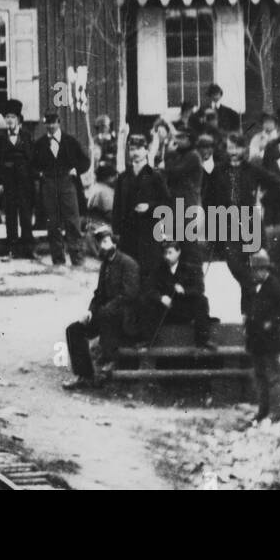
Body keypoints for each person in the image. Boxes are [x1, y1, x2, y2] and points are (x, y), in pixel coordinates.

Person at [63, 222, 142, 390]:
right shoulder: (105, 265)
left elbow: (130, 295)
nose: (103, 247)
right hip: (105, 315)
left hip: (124, 317)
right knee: (74, 330)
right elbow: (99, 294)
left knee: (106, 316)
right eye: (100, 244)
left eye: (106, 242)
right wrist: (90, 312)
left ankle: (107, 366)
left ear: (114, 243)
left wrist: (106, 309)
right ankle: (84, 376)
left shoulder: (128, 264)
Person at [203, 133, 280, 289]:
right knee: (235, 266)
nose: (233, 152)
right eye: (230, 147)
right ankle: (250, 291)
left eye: (237, 148)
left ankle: (250, 305)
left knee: (255, 264)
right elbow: (208, 200)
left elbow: (277, 184)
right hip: (227, 223)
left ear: (243, 149)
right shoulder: (218, 170)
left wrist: (265, 196)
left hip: (249, 221)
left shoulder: (252, 169)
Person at [31, 111, 90, 268]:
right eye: (47, 124)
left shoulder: (70, 141)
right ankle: (58, 260)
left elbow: (85, 161)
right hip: (49, 185)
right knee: (53, 223)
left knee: (72, 222)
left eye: (53, 123)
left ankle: (77, 258)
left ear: (59, 123)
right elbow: (32, 165)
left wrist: (75, 170)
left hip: (67, 184)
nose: (50, 126)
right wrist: (40, 174)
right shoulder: (40, 144)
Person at [244, 249, 280, 424]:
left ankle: (276, 413)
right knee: (260, 377)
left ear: (266, 270)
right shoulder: (252, 287)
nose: (257, 273)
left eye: (260, 270)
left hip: (271, 341)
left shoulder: (275, 287)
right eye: (255, 270)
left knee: (274, 377)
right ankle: (263, 410)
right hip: (256, 340)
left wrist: (272, 322)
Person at [112, 134, 170, 270]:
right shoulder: (123, 177)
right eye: (132, 149)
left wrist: (149, 207)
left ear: (146, 150)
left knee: (148, 270)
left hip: (148, 233)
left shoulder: (155, 176)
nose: (135, 152)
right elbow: (117, 206)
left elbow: (167, 203)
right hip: (128, 234)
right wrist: (116, 230)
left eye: (139, 148)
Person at [146, 240, 213, 348]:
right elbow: (149, 289)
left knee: (201, 300)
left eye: (170, 253)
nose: (167, 256)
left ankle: (202, 341)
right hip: (167, 311)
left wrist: (185, 291)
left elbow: (199, 289)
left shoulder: (190, 268)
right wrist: (161, 297)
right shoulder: (159, 269)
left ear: (178, 252)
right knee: (148, 303)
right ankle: (149, 341)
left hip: (185, 309)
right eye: (165, 253)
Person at [0, 97, 37, 259]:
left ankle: (28, 249)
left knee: (26, 216)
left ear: (18, 120)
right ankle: (12, 248)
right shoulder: (0, 139)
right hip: (8, 184)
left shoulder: (27, 137)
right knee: (10, 216)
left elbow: (32, 160)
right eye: (7, 117)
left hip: (25, 183)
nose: (10, 120)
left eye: (13, 117)